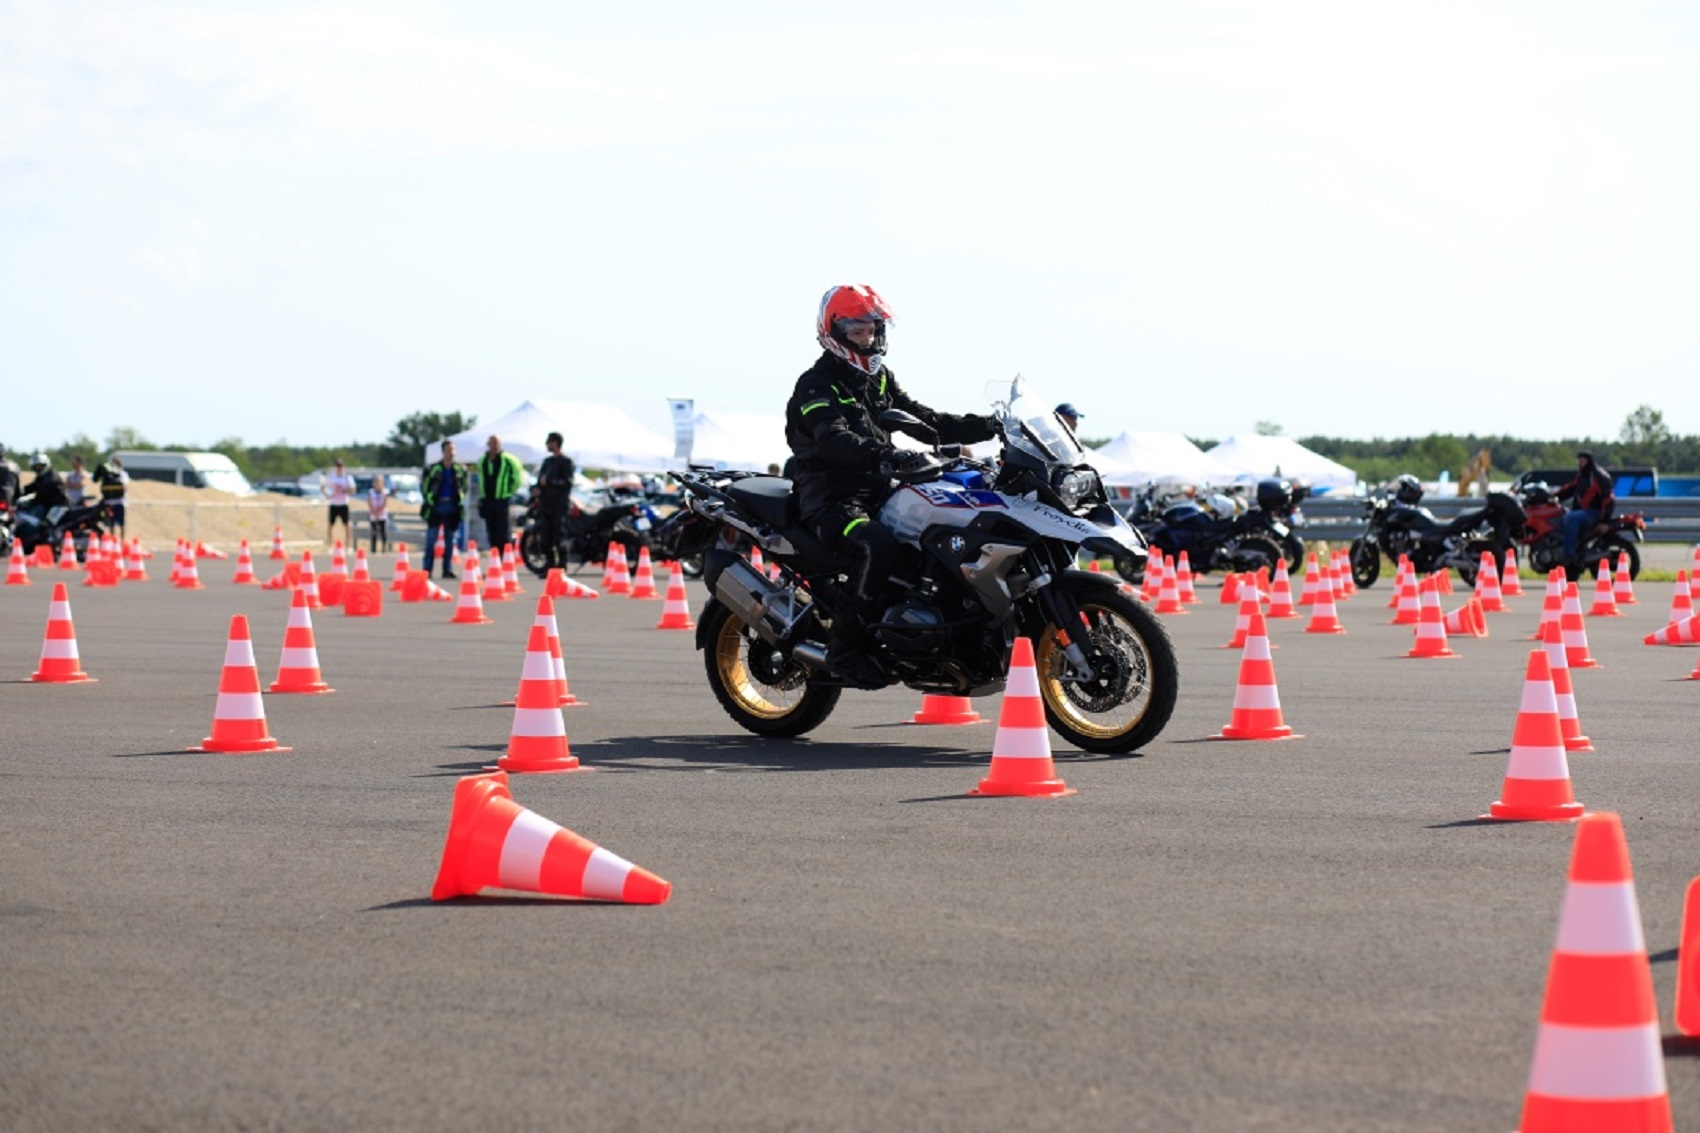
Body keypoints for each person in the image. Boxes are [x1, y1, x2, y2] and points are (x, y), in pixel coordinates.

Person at [784, 284, 997, 687]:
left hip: (879, 488)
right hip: (830, 497)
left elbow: (925, 418)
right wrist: (888, 456)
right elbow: (833, 439)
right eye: (857, 331)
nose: (866, 339)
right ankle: (845, 650)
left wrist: (989, 426)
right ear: (834, 332)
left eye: (872, 330)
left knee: (938, 535)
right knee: (876, 546)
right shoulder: (815, 385)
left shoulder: (879, 380)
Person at [1554, 450, 1614, 567]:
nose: (1579, 463)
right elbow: (1569, 489)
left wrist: (1604, 521)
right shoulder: (1582, 476)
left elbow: (1608, 499)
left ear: (1589, 461)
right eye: (1578, 460)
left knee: (1570, 518)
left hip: (1594, 513)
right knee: (1563, 515)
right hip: (1583, 512)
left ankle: (1569, 555)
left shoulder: (1599, 476)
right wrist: (1552, 496)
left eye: (1582, 460)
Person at [420, 441, 469, 579]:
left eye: (453, 450)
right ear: (443, 452)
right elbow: (424, 485)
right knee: (431, 540)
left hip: (452, 507)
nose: (451, 453)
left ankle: (447, 569)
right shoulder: (433, 468)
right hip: (436, 507)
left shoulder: (460, 469)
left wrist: (460, 498)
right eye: (448, 450)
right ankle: (427, 569)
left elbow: (464, 487)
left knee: (450, 541)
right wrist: (429, 498)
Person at [534, 431, 577, 569]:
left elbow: (567, 482)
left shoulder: (566, 462)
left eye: (549, 442)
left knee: (559, 537)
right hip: (546, 504)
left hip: (560, 505)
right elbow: (540, 481)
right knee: (545, 537)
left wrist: (551, 482)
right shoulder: (547, 462)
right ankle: (549, 565)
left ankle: (562, 566)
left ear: (555, 443)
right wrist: (537, 488)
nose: (547, 445)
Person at [477, 434, 526, 553]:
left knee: (503, 532)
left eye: (497, 443)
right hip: (488, 501)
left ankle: (506, 560)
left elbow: (518, 478)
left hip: (502, 501)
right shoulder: (482, 460)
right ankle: (495, 560)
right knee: (491, 532)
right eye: (492, 443)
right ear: (488, 445)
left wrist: (509, 492)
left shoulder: (509, 460)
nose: (494, 446)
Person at [92, 455, 130, 538]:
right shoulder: (108, 474)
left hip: (119, 502)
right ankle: (113, 539)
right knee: (112, 523)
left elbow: (125, 487)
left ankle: (121, 540)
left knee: (121, 523)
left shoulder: (122, 474)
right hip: (110, 502)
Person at [322, 458, 355, 545]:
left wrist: (345, 490)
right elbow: (323, 487)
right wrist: (327, 495)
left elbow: (353, 490)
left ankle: (348, 543)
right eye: (337, 466)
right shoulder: (332, 477)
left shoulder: (347, 477)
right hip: (334, 503)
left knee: (347, 524)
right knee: (330, 524)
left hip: (344, 503)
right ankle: (329, 543)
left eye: (341, 466)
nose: (339, 468)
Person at [366, 473, 390, 554]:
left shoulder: (385, 492)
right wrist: (373, 511)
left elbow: (385, 503)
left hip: (382, 514)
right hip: (373, 514)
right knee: (373, 531)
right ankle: (373, 548)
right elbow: (369, 502)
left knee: (383, 531)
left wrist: (378, 512)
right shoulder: (371, 492)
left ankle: (384, 548)